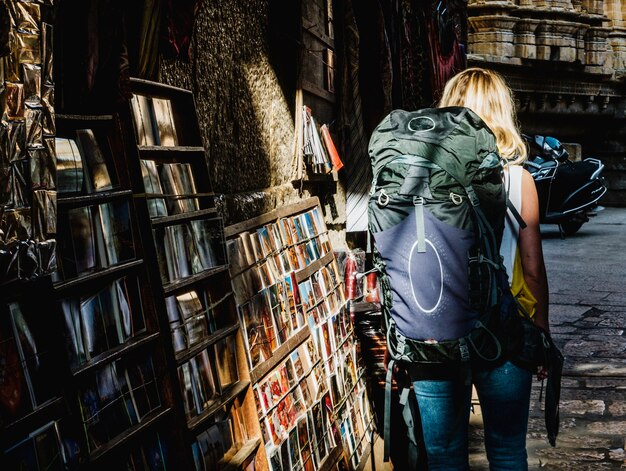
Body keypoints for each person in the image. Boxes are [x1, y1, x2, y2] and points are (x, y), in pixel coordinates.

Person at [411, 67, 550, 470]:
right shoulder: (517, 179)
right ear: (502, 113)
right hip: (502, 332)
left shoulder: (421, 174)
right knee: (507, 450)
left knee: (443, 455)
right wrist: (541, 328)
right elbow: (532, 267)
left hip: (432, 330)